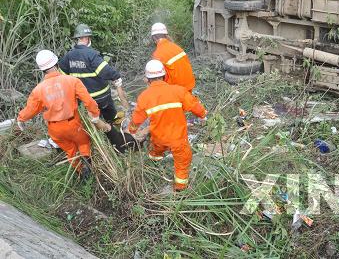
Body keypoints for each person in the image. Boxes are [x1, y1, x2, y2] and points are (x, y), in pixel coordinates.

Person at [17, 50, 107, 179]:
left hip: (55, 130)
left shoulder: (38, 90)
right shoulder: (72, 81)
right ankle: (87, 162)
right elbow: (89, 101)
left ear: (42, 70)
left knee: (70, 151)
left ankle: (80, 173)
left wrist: (20, 119)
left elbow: (31, 110)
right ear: (56, 64)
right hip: (73, 124)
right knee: (83, 142)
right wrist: (95, 115)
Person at [128, 60, 207, 192]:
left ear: (147, 79)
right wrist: (203, 114)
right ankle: (180, 188)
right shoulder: (178, 91)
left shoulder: (144, 97)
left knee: (156, 151)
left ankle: (154, 163)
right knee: (182, 163)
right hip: (178, 138)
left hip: (158, 136)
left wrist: (131, 129)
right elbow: (195, 107)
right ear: (164, 76)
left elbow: (136, 119)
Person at [59, 24, 129, 123]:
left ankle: (99, 130)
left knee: (93, 120)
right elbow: (105, 71)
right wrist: (116, 77)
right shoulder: (92, 54)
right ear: (87, 38)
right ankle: (113, 129)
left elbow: (61, 75)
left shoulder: (69, 56)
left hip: (83, 99)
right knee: (112, 118)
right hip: (101, 96)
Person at [150, 23, 196, 92]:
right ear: (166, 35)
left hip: (176, 91)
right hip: (189, 86)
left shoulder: (157, 54)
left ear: (154, 37)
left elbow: (160, 79)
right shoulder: (177, 47)